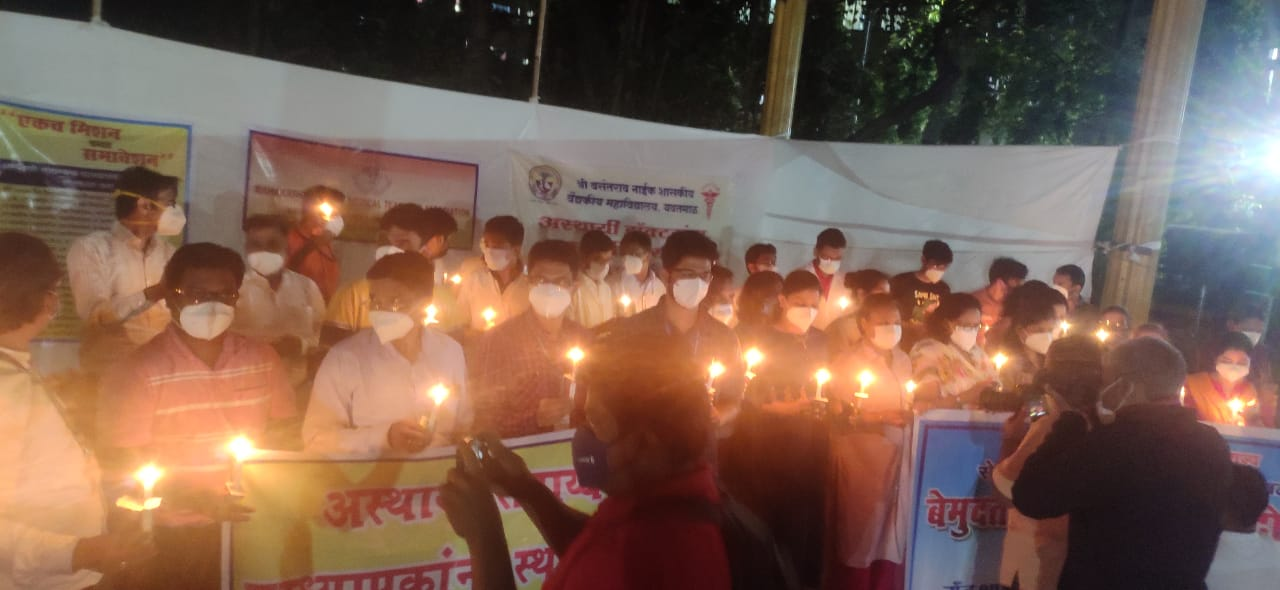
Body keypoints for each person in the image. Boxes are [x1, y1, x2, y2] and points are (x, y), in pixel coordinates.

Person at [437, 333, 731, 590]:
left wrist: (484, 536)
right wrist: (528, 490)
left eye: (596, 422)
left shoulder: (637, 556)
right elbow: (590, 542)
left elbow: (612, 559)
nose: (583, 436)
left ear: (644, 442)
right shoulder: (670, 501)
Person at [97, 243, 297, 590]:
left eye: (224, 294)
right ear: (170, 297)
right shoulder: (138, 370)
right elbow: (120, 466)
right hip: (174, 539)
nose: (211, 305)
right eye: (196, 294)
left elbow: (285, 434)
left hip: (251, 529)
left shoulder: (263, 359)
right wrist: (194, 500)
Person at [1013, 337, 1235, 590]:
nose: (1100, 389)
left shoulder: (1114, 444)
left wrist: (1069, 423)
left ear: (1127, 386)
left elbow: (1031, 497)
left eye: (1106, 380)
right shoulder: (1212, 444)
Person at [0, 232, 155, 590]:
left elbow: (48, 474)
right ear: (23, 293)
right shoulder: (5, 385)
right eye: (50, 289)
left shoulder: (19, 369)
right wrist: (78, 552)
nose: (55, 301)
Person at [722, 270, 828, 588]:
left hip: (810, 448)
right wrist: (771, 408)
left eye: (814, 303)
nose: (808, 310)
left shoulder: (821, 340)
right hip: (765, 448)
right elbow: (745, 390)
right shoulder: (760, 338)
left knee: (805, 528)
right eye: (800, 303)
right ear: (782, 300)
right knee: (766, 524)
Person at [303, 253, 469, 454]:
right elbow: (316, 438)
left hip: (436, 477)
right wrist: (385, 437)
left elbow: (464, 422)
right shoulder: (345, 358)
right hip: (372, 480)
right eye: (374, 300)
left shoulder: (450, 352)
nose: (381, 311)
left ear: (425, 303)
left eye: (396, 301)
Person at [993, 335, 1104, 590]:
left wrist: (1010, 441)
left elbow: (1006, 492)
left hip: (1041, 563)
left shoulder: (1053, 424)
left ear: (1050, 379)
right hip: (1089, 563)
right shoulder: (1114, 422)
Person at [598, 231, 743, 409]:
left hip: (700, 435)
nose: (697, 282)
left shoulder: (724, 338)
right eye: (688, 274)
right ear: (666, 275)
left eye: (704, 275)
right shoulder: (632, 330)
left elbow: (733, 398)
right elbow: (611, 397)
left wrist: (720, 416)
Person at [826, 293, 914, 587]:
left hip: (898, 457)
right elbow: (838, 413)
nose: (892, 328)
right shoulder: (848, 361)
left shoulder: (903, 359)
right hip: (862, 458)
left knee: (891, 533)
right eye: (884, 322)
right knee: (861, 533)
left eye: (897, 322)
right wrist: (879, 417)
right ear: (864, 324)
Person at [67, 166, 182, 377]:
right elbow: (97, 317)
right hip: (109, 372)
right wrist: (153, 293)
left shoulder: (170, 253)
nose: (176, 211)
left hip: (161, 370)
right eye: (170, 204)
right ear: (145, 205)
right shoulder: (91, 249)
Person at [469, 240, 591, 439]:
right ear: (529, 282)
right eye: (542, 280)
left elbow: (593, 408)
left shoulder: (583, 339)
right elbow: (483, 418)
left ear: (574, 287)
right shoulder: (500, 340)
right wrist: (534, 419)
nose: (550, 289)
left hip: (570, 457)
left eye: (560, 282)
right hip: (518, 459)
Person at [323, 204, 460, 346]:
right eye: (385, 241)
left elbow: (455, 352)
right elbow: (329, 351)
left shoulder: (443, 300)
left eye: (404, 242)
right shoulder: (352, 294)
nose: (392, 248)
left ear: (424, 249)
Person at [233, 214, 325, 389]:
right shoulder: (235, 289)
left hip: (297, 387)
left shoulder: (307, 287)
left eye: (273, 245)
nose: (264, 251)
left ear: (287, 247)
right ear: (246, 249)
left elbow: (321, 333)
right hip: (246, 388)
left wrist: (301, 345)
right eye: (256, 246)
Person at [909, 293, 999, 409]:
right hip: (946, 424)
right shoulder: (927, 351)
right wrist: (965, 397)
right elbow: (925, 405)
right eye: (966, 325)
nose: (972, 330)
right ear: (947, 323)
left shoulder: (977, 352)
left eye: (976, 326)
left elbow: (994, 382)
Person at [456, 216, 531, 334]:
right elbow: (461, 321)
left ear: (516, 250)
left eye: (496, 246)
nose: (489, 251)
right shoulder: (474, 280)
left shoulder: (531, 286)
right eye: (487, 244)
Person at [1183, 332, 1274, 427]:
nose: (1234, 367)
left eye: (1242, 363)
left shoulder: (1249, 391)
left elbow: (1258, 432)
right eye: (1226, 361)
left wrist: (1250, 420)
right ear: (1215, 359)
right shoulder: (1193, 384)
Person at [1197, 303, 1274, 398]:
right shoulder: (1213, 349)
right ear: (1231, 325)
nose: (1253, 336)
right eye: (1248, 329)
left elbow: (1265, 382)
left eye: (1258, 332)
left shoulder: (1261, 353)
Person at [286, 185, 346, 301]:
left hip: (323, 311)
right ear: (309, 207)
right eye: (329, 209)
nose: (334, 217)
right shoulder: (290, 237)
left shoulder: (326, 244)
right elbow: (284, 274)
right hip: (297, 309)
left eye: (336, 213)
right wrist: (315, 244)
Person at [890, 240, 953, 341]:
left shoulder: (943, 289)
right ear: (924, 260)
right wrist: (909, 326)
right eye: (936, 265)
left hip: (930, 343)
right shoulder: (901, 282)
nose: (939, 270)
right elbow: (887, 314)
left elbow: (945, 320)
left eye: (944, 267)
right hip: (902, 340)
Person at [996, 294, 1059, 392]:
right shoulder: (1010, 364)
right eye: (1039, 331)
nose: (1046, 336)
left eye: (1050, 330)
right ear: (1021, 331)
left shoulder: (1055, 360)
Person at [795, 228, 852, 331]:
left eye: (837, 259)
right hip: (807, 336)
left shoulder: (845, 279)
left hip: (836, 338)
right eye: (827, 258)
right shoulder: (799, 276)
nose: (831, 262)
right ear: (816, 251)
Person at [826, 269, 892, 358]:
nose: (885, 299)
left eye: (887, 294)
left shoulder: (890, 325)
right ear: (861, 294)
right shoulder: (841, 328)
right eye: (881, 293)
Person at [568, 230, 615, 329]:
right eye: (599, 260)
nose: (604, 265)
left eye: (607, 261)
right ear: (584, 258)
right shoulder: (573, 291)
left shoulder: (607, 289)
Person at [612, 230, 665, 316]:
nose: (631, 258)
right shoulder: (616, 284)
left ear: (648, 256)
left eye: (636, 254)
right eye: (627, 255)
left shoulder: (660, 287)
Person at [971, 257, 1028, 330]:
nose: (1016, 292)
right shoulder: (973, 301)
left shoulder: (1017, 304)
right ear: (999, 282)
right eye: (1013, 287)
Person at [734, 270, 784, 341]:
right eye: (774, 294)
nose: (781, 301)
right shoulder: (737, 336)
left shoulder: (787, 333)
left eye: (782, 295)